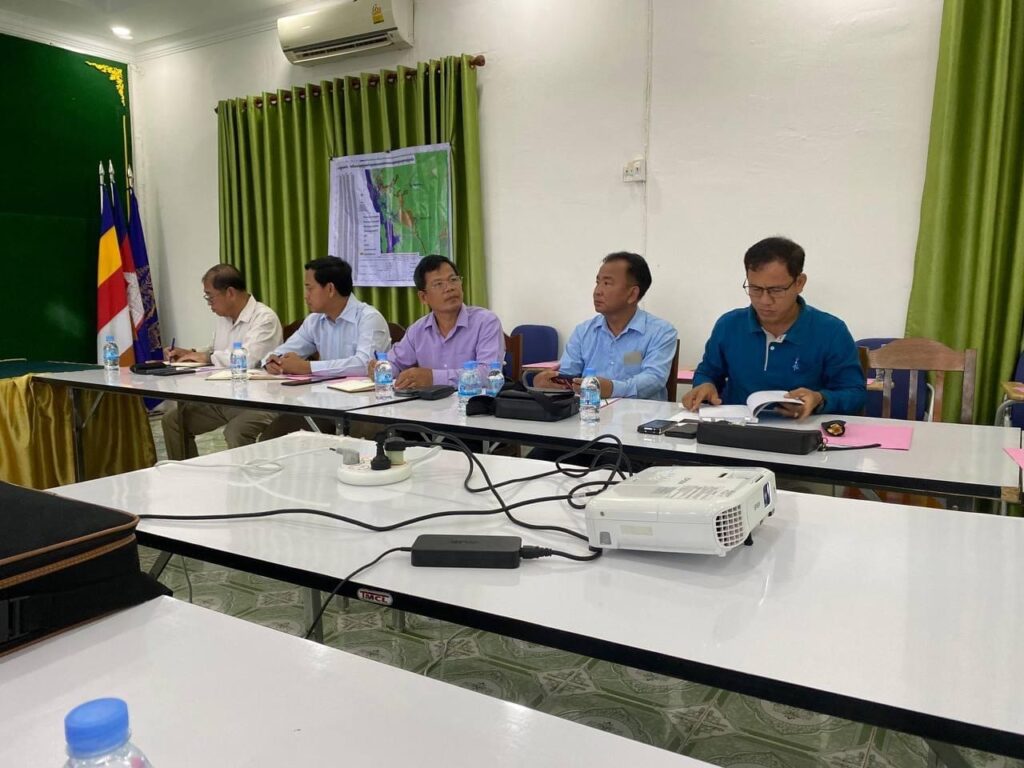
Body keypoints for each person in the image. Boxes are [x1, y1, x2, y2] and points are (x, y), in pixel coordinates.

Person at [682, 236, 866, 418]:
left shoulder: (831, 331)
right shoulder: (729, 325)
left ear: (799, 283)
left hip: (802, 429)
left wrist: (819, 399)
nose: (764, 300)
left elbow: (855, 393)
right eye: (755, 289)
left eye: (776, 290)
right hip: (737, 427)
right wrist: (704, 385)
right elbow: (707, 373)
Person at [258, 257, 390, 440]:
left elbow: (363, 365)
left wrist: (308, 367)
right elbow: (284, 350)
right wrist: (272, 360)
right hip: (324, 403)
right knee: (272, 438)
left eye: (309, 288)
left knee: (356, 447)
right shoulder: (315, 321)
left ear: (330, 289)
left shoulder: (369, 318)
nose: (305, 296)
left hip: (366, 407)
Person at [161, 264, 283, 458]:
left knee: (235, 431)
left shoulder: (264, 318)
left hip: (260, 401)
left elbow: (248, 359)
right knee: (173, 421)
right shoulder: (224, 318)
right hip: (225, 398)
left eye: (210, 297)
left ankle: (247, 477)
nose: (209, 303)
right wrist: (190, 353)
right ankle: (185, 472)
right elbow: (216, 350)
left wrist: (207, 357)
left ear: (230, 293)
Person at [532, 252, 678, 400]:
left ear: (632, 294)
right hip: (589, 411)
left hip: (640, 412)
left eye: (607, 283)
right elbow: (567, 375)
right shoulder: (583, 332)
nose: (597, 291)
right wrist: (548, 382)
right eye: (597, 282)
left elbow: (653, 379)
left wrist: (612, 389)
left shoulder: (661, 332)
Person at [369, 255, 504, 389]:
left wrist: (433, 378)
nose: (449, 288)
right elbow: (395, 363)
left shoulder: (486, 322)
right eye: (439, 284)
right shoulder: (417, 330)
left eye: (453, 280)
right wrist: (381, 368)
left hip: (472, 402)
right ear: (423, 297)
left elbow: (489, 374)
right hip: (428, 403)